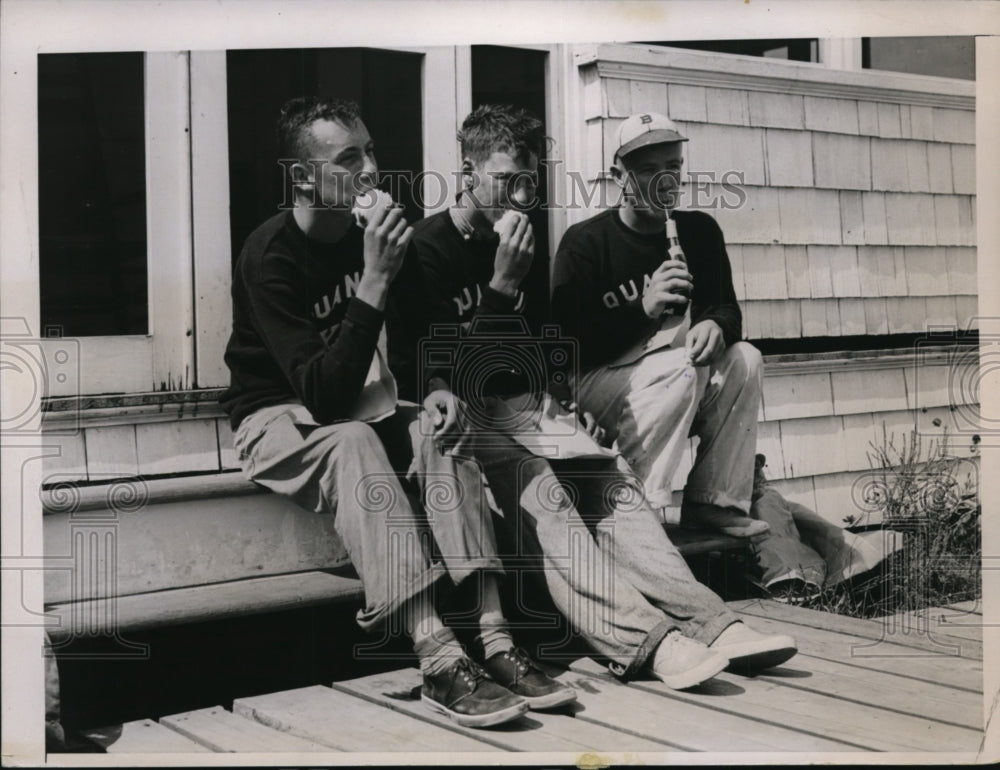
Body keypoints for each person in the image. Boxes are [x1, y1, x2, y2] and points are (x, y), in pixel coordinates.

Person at [393, 104, 797, 689]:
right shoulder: (425, 251)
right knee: (546, 492)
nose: (521, 197)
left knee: (606, 478)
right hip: (457, 417)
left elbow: (539, 352)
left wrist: (561, 402)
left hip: (523, 404)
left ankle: (711, 622)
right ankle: (645, 642)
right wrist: (502, 285)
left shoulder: (524, 238)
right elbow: (434, 376)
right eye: (508, 181)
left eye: (531, 182)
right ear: (467, 172)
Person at [219, 96, 576, 728]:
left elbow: (423, 339)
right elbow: (322, 397)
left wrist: (437, 385)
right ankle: (437, 657)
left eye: (372, 152)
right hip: (275, 417)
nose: (370, 172)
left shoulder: (376, 236)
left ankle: (495, 638)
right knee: (354, 438)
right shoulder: (268, 255)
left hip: (358, 402)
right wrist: (374, 281)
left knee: (444, 427)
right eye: (348, 158)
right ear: (303, 178)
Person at [552, 112, 771, 540]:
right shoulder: (586, 242)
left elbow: (727, 309)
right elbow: (565, 347)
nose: (663, 181)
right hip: (594, 386)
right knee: (682, 368)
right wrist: (641, 309)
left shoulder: (699, 231)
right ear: (620, 176)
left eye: (672, 167)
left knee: (745, 357)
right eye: (648, 170)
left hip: (668, 381)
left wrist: (715, 325)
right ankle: (637, 512)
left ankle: (713, 502)